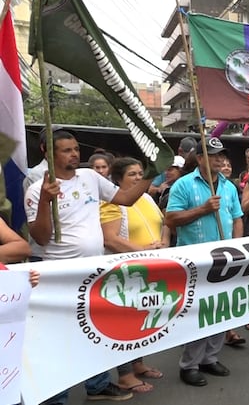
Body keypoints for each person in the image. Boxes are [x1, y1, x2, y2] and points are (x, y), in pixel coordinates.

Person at [25, 128, 153, 402]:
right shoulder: (37, 190)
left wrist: (152, 172)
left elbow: (126, 199)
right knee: (59, 341)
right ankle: (56, 397)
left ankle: (98, 385)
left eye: (76, 149)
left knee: (95, 331)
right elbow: (41, 237)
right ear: (48, 152)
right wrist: (47, 202)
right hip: (58, 276)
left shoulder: (90, 177)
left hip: (94, 272)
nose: (74, 154)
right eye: (66, 150)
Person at [165, 137, 244, 387]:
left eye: (222, 155)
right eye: (213, 154)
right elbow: (171, 219)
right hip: (195, 261)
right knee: (200, 312)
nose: (220, 159)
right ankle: (190, 364)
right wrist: (202, 209)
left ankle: (210, 358)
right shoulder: (183, 185)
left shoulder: (229, 186)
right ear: (199, 158)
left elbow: (237, 217)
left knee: (222, 309)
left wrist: (237, 247)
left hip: (224, 257)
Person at [99, 158, 167, 393]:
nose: (139, 178)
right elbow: (111, 239)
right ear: (117, 179)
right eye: (133, 174)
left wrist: (163, 244)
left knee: (141, 319)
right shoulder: (111, 202)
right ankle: (124, 374)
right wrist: (145, 251)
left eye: (141, 173)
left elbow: (163, 223)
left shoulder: (147, 198)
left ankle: (138, 363)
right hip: (125, 272)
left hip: (149, 268)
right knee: (123, 323)